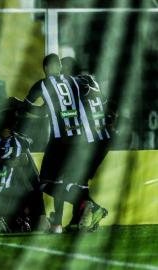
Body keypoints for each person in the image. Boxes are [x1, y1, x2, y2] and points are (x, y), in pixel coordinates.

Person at [10, 54, 90, 233]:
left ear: (45, 68)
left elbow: (27, 107)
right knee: (71, 182)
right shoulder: (73, 81)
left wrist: (17, 104)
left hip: (59, 140)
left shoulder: (42, 85)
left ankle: (85, 204)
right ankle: (64, 222)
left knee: (46, 181)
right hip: (80, 140)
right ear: (59, 66)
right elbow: (44, 112)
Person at [61, 57, 115, 231]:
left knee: (72, 181)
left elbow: (70, 110)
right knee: (79, 181)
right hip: (103, 138)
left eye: (63, 69)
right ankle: (78, 220)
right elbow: (108, 108)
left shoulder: (74, 84)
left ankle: (93, 210)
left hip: (90, 142)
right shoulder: (93, 82)